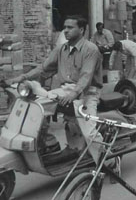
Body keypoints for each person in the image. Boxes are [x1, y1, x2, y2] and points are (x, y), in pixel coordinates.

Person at [4, 15, 105, 163]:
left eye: (70, 27)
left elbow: (86, 77)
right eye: (64, 27)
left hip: (87, 93)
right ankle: (47, 143)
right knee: (36, 105)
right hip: (65, 90)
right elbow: (43, 69)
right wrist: (22, 78)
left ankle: (104, 164)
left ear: (81, 30)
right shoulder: (61, 49)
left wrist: (73, 94)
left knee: (90, 133)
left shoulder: (91, 49)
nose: (65, 30)